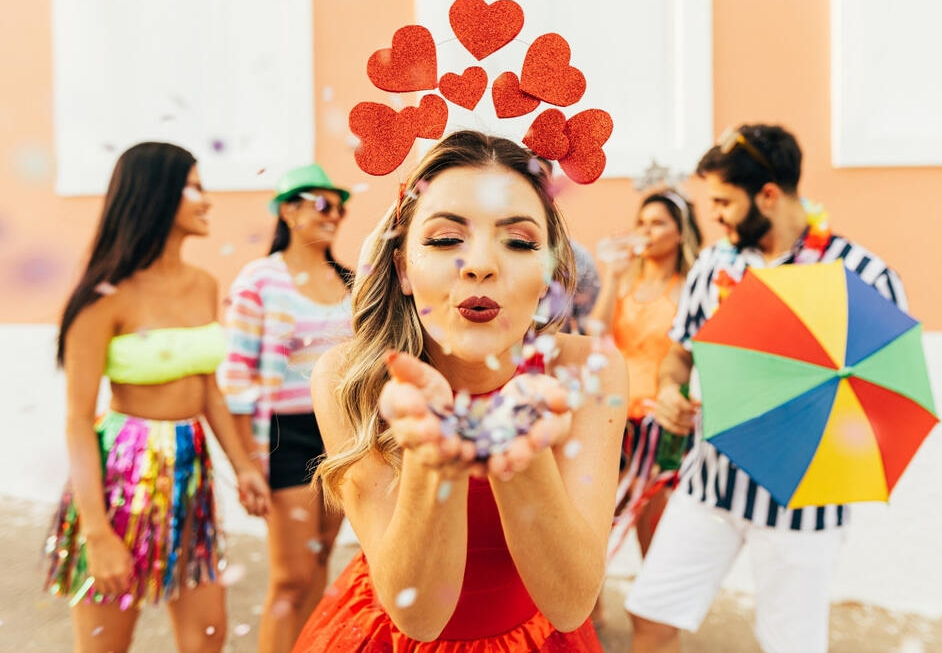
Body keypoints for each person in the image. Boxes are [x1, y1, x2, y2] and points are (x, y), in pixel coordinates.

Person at [292, 131, 628, 651]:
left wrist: (520, 448)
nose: (481, 264)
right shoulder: (348, 378)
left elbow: (570, 604)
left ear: (548, 276)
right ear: (402, 267)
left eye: (519, 242)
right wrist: (433, 458)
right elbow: (419, 617)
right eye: (446, 239)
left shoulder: (588, 371)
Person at [626, 124, 908, 653]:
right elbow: (681, 354)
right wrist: (669, 391)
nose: (716, 216)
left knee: (790, 646)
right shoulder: (716, 264)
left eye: (724, 202)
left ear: (769, 195)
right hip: (710, 484)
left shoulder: (864, 276)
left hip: (805, 506)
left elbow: (883, 396)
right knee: (651, 615)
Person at [44, 142, 271, 653]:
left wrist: (244, 467)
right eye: (194, 187)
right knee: (105, 646)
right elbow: (78, 421)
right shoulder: (103, 296)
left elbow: (208, 387)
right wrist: (97, 533)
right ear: (155, 194)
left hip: (190, 472)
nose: (206, 199)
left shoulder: (203, 284)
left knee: (208, 636)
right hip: (120, 477)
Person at [220, 164, 354, 652]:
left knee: (320, 562)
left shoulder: (350, 282)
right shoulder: (260, 280)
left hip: (341, 432)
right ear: (289, 212)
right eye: (321, 204)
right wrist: (246, 464)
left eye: (338, 207)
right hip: (284, 436)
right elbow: (236, 377)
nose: (333, 215)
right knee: (291, 578)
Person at [590, 189, 702, 561]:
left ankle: (654, 595)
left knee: (652, 525)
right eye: (642, 222)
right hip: (617, 415)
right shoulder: (624, 283)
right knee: (601, 520)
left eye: (658, 223)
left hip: (659, 421)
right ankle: (592, 598)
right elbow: (597, 334)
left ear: (680, 233)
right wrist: (612, 276)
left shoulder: (687, 289)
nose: (646, 231)